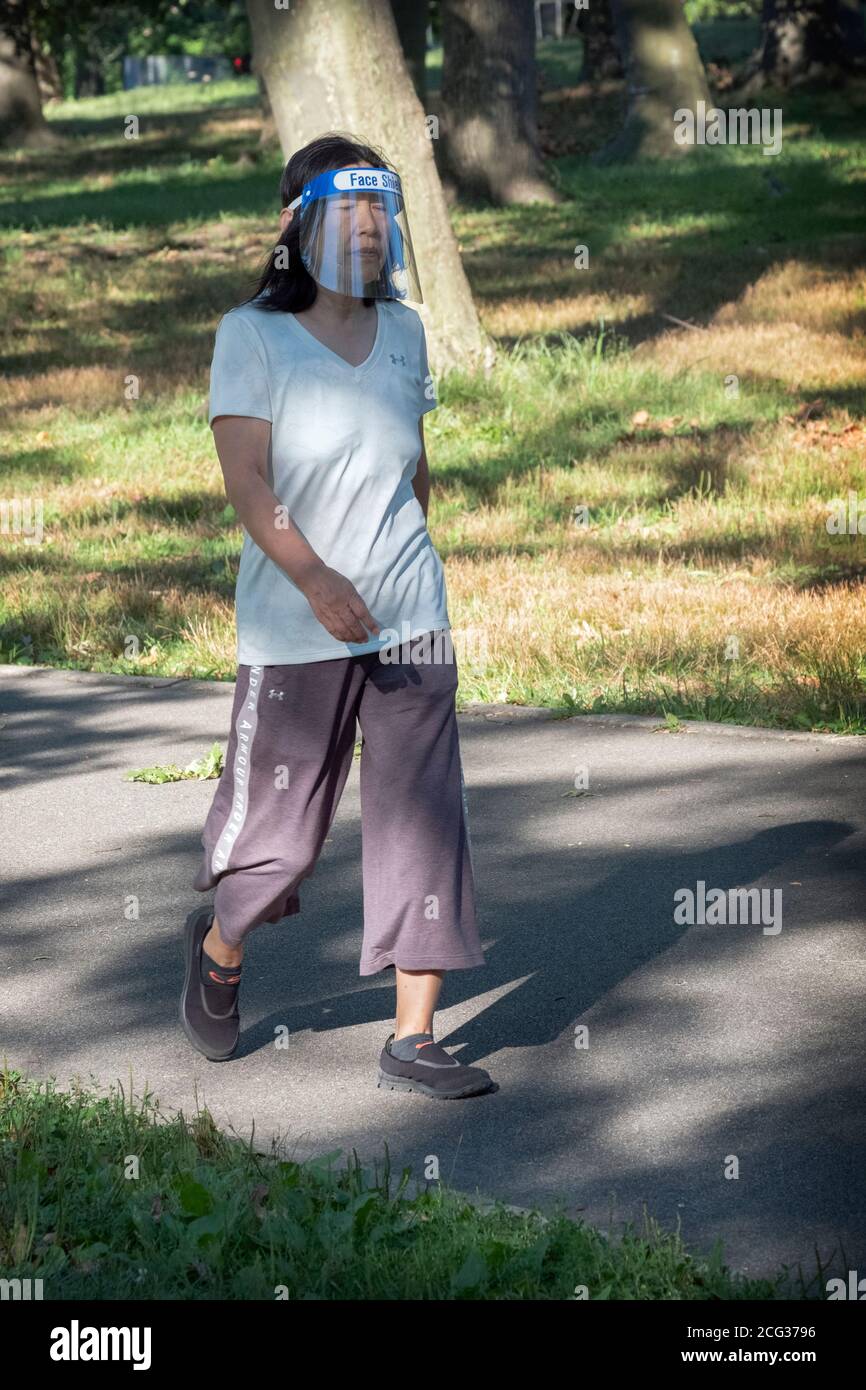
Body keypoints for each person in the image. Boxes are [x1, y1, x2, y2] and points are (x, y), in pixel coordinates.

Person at [180, 133, 492, 1100]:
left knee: (423, 825)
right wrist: (316, 576)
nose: (365, 227)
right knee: (281, 844)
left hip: (412, 621)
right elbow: (247, 480)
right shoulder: (253, 336)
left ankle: (414, 1035)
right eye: (345, 209)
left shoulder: (404, 330)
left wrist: (408, 575)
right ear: (299, 224)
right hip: (296, 629)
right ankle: (223, 946)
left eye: (378, 210)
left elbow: (413, 467)